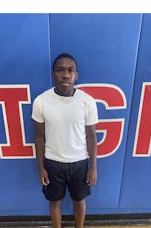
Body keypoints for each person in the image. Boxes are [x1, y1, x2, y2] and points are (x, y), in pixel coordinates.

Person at [32, 53, 98, 228]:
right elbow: (39, 137)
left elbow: (91, 136)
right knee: (55, 202)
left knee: (79, 200)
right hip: (53, 163)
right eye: (60, 70)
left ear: (76, 75)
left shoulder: (87, 101)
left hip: (79, 163)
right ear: (53, 74)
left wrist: (93, 167)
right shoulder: (41, 101)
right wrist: (41, 168)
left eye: (70, 70)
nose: (66, 74)